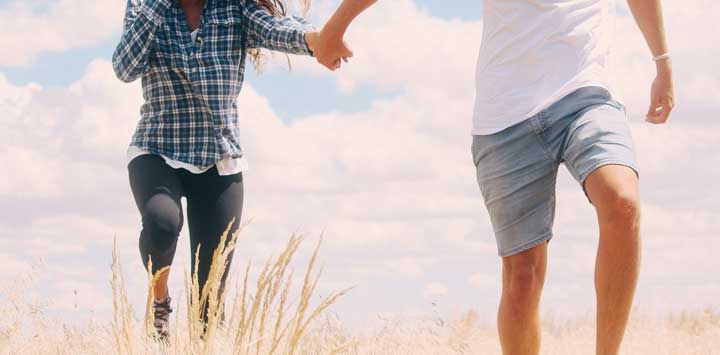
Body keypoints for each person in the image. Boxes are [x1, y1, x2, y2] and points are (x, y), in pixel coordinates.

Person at [316, 1, 674, 354]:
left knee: (622, 202)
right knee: (523, 277)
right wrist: (336, 26)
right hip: (505, 116)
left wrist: (663, 63)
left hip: (587, 93)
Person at [112, 0, 347, 340]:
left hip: (219, 161)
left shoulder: (234, 8)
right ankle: (160, 302)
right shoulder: (147, 5)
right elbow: (124, 68)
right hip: (157, 149)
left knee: (208, 311)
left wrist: (319, 40)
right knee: (162, 223)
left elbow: (277, 30)